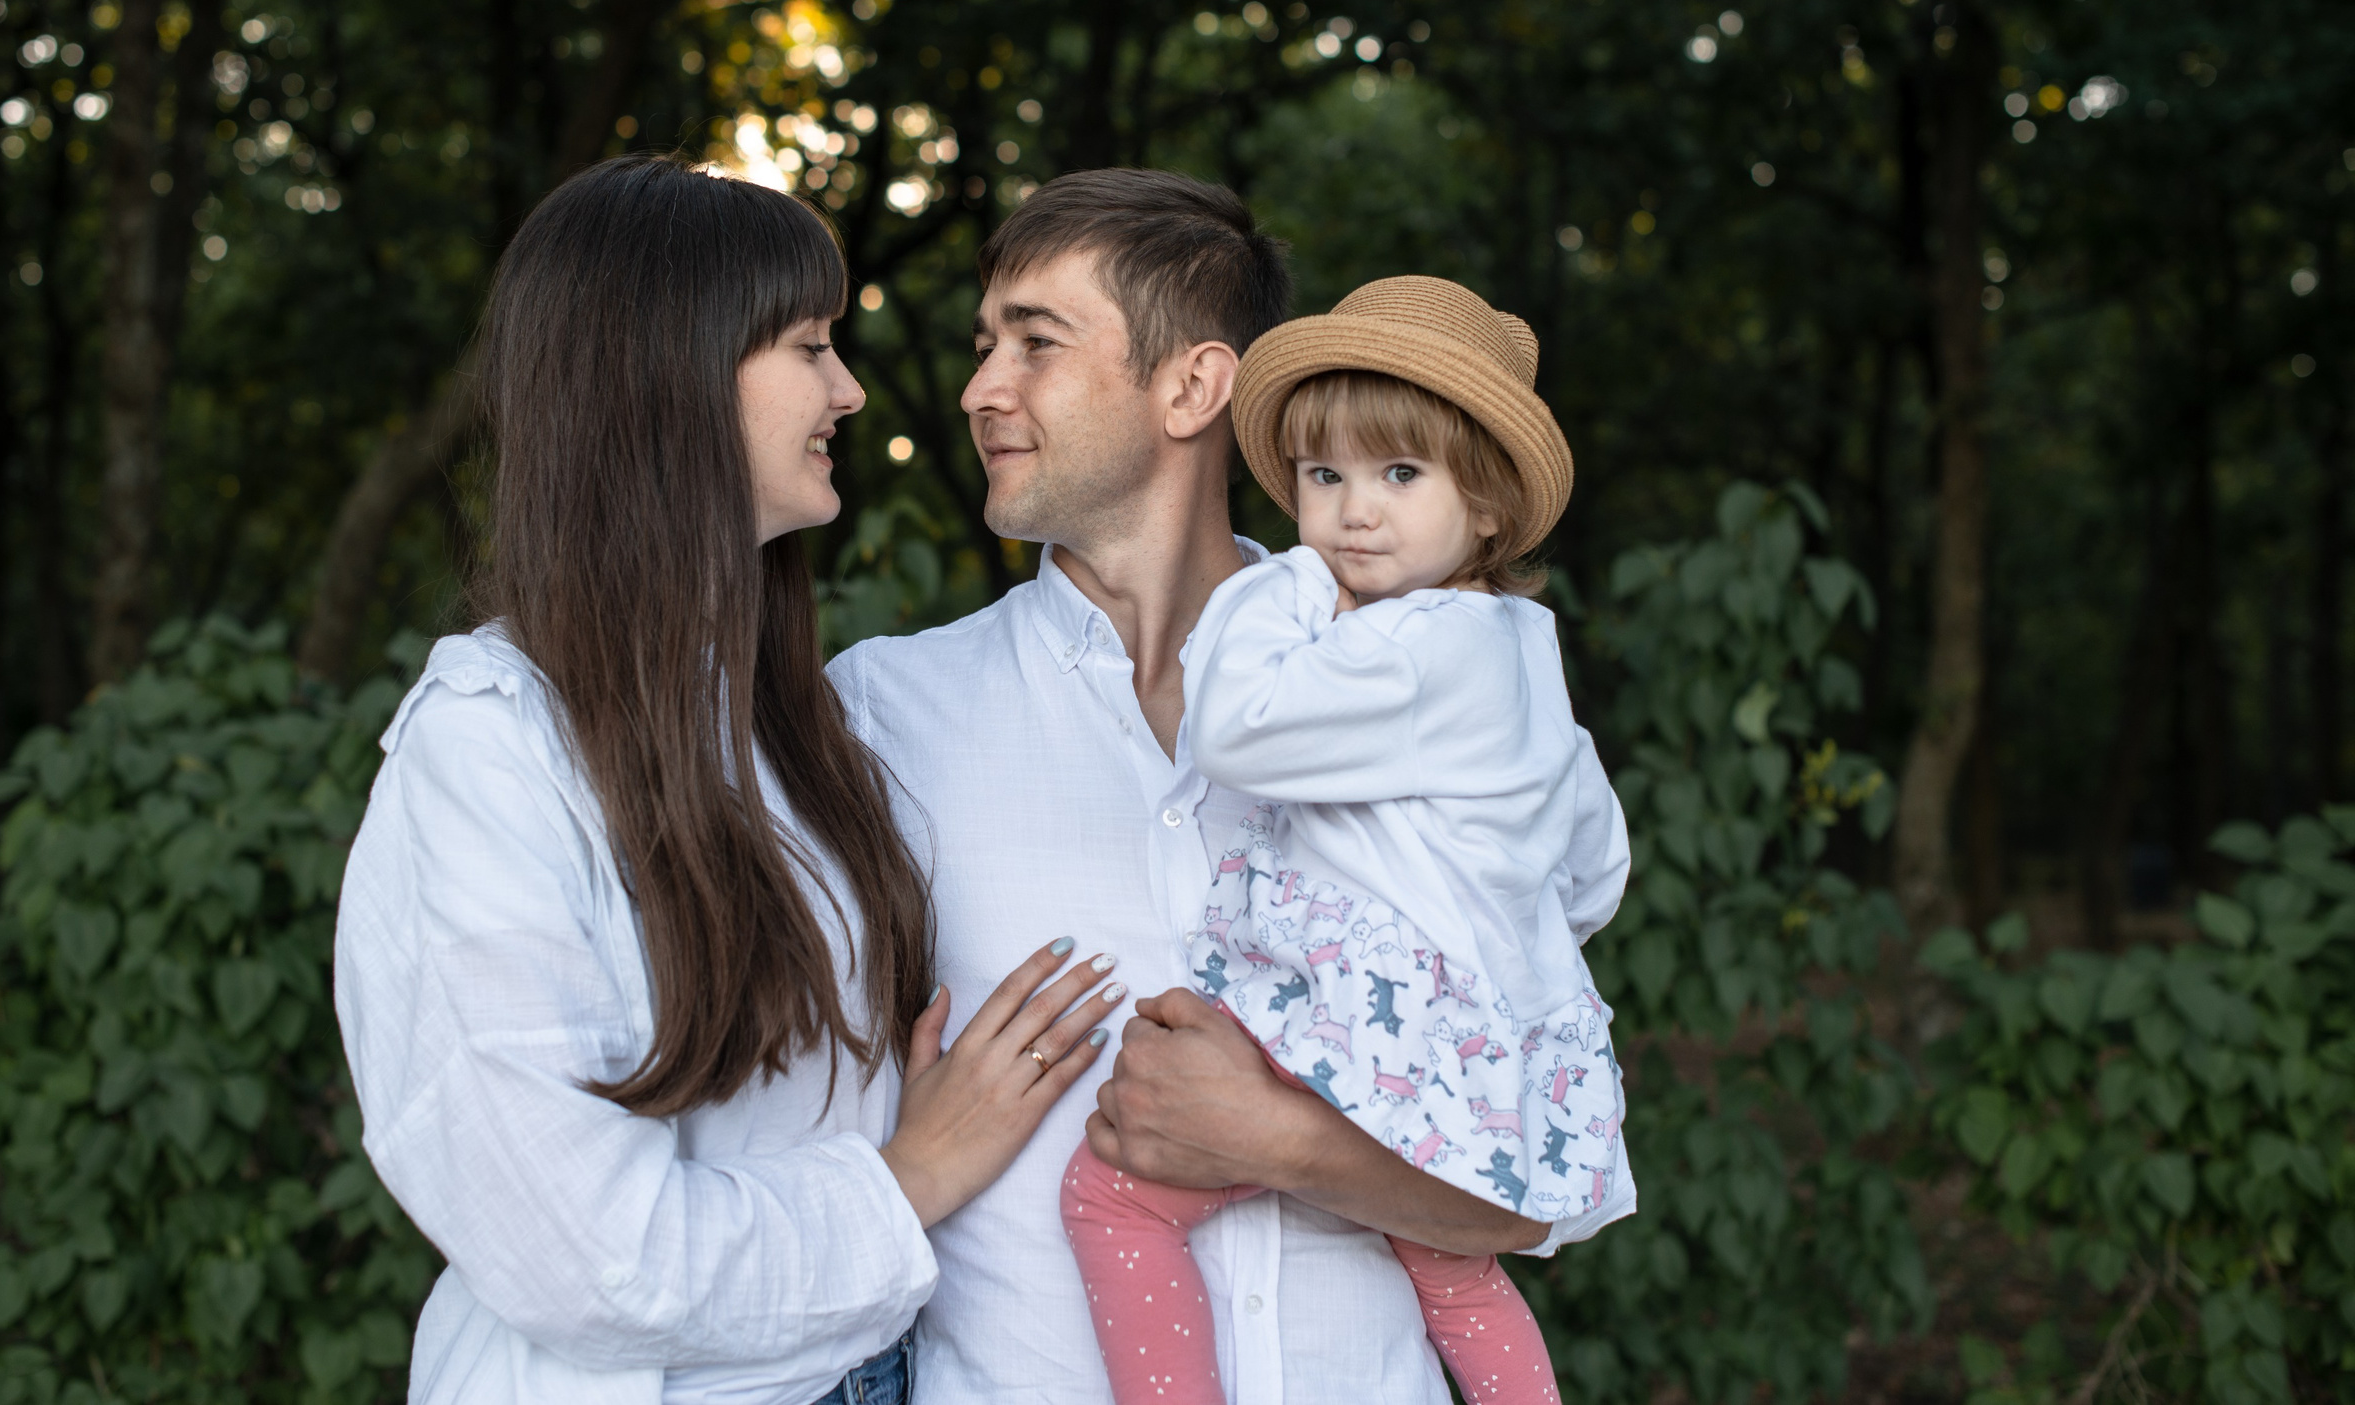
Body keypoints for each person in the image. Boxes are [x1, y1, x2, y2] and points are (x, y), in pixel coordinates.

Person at [333, 156, 1125, 1405]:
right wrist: (911, 1174)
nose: (850, 390)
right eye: (808, 346)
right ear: (670, 375)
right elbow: (587, 1254)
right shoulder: (491, 747)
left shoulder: (775, 720)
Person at [827, 171, 1556, 1405]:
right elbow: (798, 1148)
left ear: (1192, 385)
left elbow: (1541, 1168)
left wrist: (1273, 1140)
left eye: (1035, 342)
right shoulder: (880, 713)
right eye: (981, 343)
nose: (978, 387)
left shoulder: (1431, 691)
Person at [1057, 276, 1634, 1405]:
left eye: (1399, 474)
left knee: (1113, 1195)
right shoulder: (1523, 653)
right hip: (1467, 1027)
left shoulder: (1407, 639)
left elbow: (1234, 725)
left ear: (1487, 507)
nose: (1352, 512)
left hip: (1359, 1006)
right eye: (1325, 478)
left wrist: (1283, 579)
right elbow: (1593, 867)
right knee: (1450, 1261)